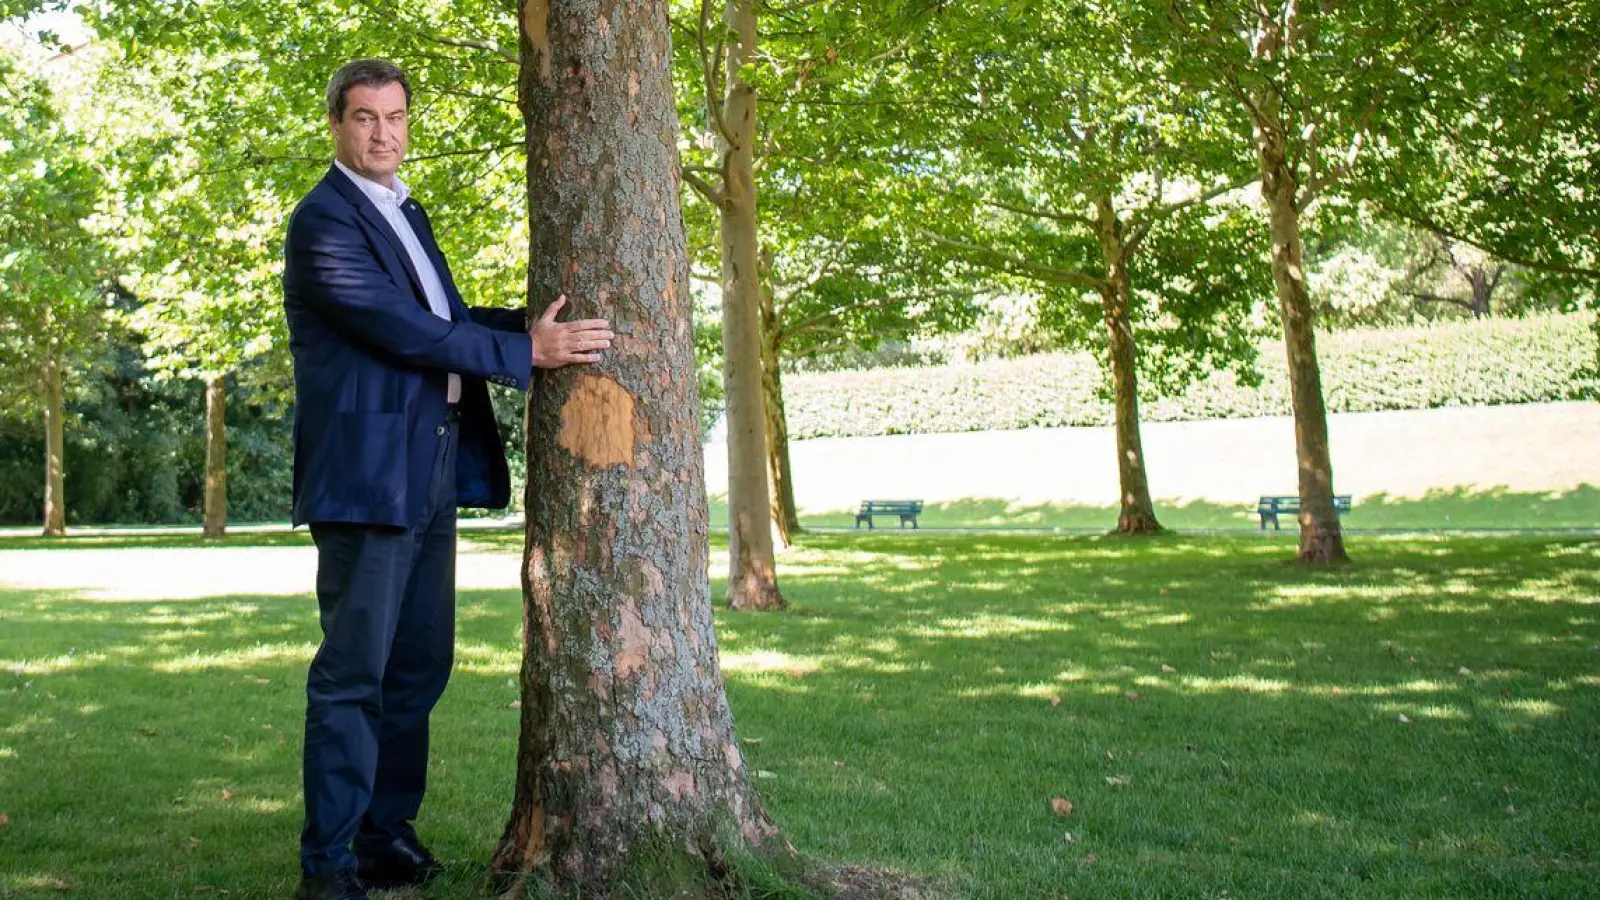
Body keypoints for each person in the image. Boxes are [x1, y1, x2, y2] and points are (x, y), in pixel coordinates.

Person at [281, 58, 612, 900]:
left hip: (429, 471)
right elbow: (398, 330)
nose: (383, 133)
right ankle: (327, 867)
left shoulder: (406, 214)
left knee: (420, 665)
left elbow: (445, 322)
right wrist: (521, 357)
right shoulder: (322, 222)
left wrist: (522, 329)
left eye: (395, 117)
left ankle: (382, 834)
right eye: (364, 118)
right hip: (366, 479)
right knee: (355, 674)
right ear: (337, 126)